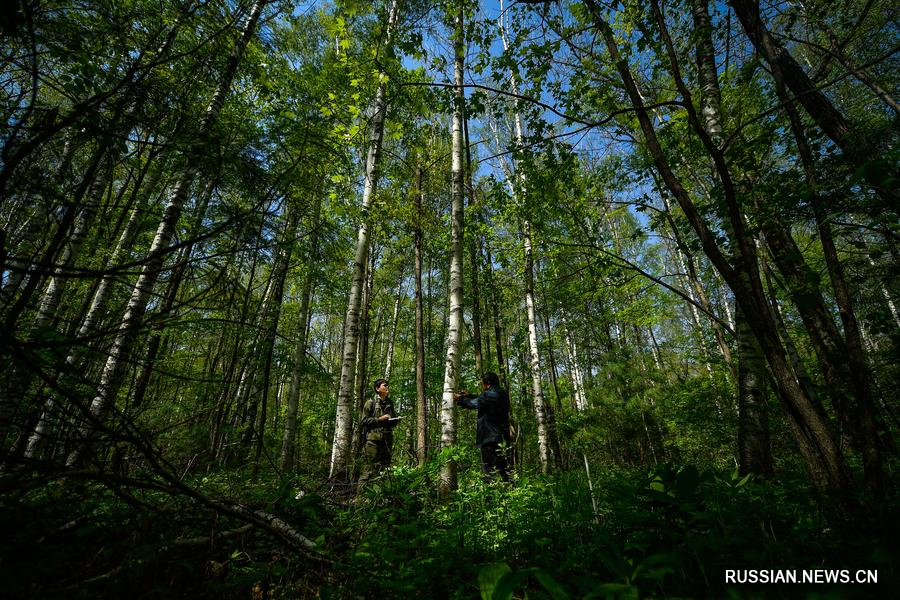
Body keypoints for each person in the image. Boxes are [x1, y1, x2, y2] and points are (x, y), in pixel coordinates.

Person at [453, 372, 512, 482]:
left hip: (490, 439)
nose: (482, 386)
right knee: (504, 469)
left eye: (483, 384)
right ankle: (513, 494)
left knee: (488, 471)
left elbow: (474, 403)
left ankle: (491, 497)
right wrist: (468, 395)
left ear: (488, 383)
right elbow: (482, 400)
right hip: (502, 438)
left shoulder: (489, 394)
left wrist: (459, 399)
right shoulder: (501, 393)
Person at [358, 378, 399, 488]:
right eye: (384, 386)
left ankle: (379, 498)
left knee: (384, 471)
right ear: (377, 389)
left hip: (387, 441)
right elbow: (363, 421)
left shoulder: (390, 403)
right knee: (369, 470)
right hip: (373, 442)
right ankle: (361, 497)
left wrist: (395, 420)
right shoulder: (370, 402)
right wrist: (379, 419)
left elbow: (392, 421)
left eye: (387, 386)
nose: (387, 387)